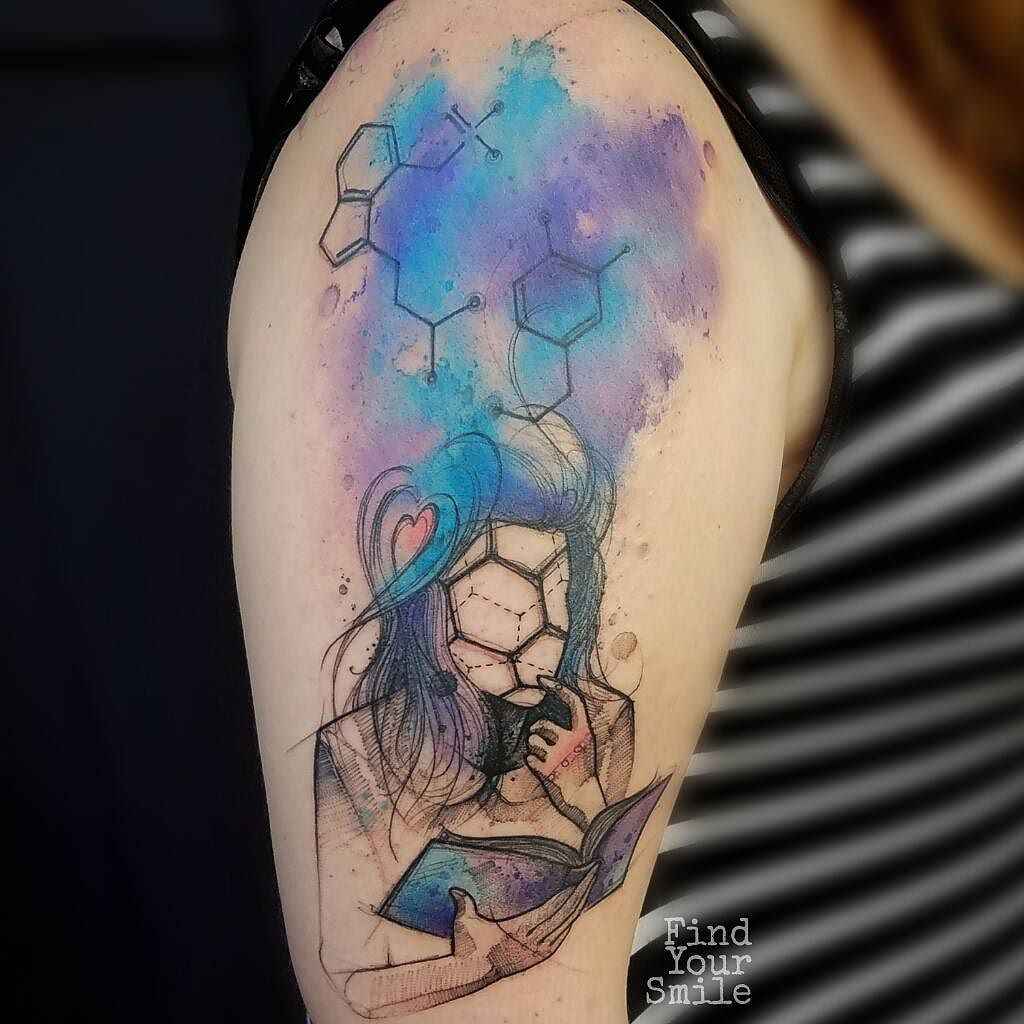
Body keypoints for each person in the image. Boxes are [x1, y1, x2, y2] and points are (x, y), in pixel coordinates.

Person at [230, 1, 837, 1021]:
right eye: (508, 603)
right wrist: (483, 960)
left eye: (558, 596)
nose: (538, 640)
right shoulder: (558, 108)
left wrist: (580, 802)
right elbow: (380, 989)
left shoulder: (581, 720)